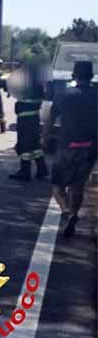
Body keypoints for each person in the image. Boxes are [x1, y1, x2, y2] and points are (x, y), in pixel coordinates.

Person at [50, 61, 97, 237]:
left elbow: (50, 118)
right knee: (78, 185)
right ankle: (74, 213)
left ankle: (66, 210)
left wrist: (45, 137)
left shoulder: (64, 95)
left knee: (57, 184)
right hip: (91, 147)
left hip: (67, 145)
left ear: (73, 75)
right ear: (91, 76)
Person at [8, 66, 48, 181]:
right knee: (35, 145)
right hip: (34, 118)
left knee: (24, 145)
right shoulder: (38, 86)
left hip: (25, 119)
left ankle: (25, 172)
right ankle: (42, 169)